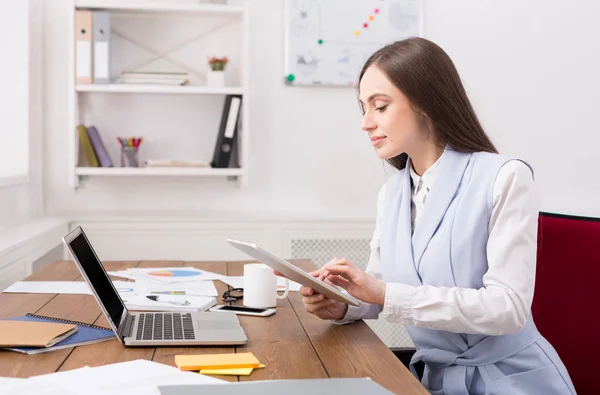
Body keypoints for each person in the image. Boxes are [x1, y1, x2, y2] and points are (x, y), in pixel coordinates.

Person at [285, 37, 576, 394]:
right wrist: (341, 304)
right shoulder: (392, 194)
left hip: (513, 381)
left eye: (380, 106)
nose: (365, 122)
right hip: (433, 382)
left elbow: (508, 308)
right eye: (363, 108)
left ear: (425, 102)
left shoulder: (506, 177)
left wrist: (382, 293)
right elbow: (380, 289)